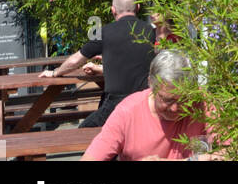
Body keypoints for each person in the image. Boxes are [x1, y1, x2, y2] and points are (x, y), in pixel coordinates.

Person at [40, 0, 154, 127]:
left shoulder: (104, 32)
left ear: (113, 10)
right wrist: (101, 68)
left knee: (84, 131)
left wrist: (55, 72)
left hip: (115, 105)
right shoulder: (151, 32)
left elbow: (75, 60)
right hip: (146, 103)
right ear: (138, 7)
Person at [82, 49, 215, 162]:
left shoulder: (204, 103)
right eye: (167, 100)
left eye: (184, 100)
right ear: (150, 84)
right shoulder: (128, 112)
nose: (175, 108)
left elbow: (232, 152)